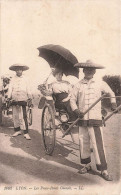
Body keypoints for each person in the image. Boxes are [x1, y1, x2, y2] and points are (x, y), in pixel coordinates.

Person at [70, 60, 117, 181]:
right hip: (82, 117)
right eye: (87, 69)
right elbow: (72, 100)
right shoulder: (78, 85)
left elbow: (111, 93)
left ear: (95, 71)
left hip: (95, 118)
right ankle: (86, 165)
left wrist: (113, 103)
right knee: (83, 141)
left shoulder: (100, 83)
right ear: (83, 71)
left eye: (91, 69)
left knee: (97, 144)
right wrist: (76, 111)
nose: (89, 71)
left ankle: (103, 170)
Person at [7, 64, 32, 140]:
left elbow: (28, 88)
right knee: (15, 115)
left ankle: (26, 132)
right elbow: (10, 88)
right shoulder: (13, 79)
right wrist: (8, 97)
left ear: (22, 70)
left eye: (20, 70)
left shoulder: (26, 78)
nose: (19, 71)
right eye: (17, 70)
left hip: (22, 98)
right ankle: (17, 130)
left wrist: (30, 97)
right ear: (15, 71)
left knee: (23, 116)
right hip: (14, 98)